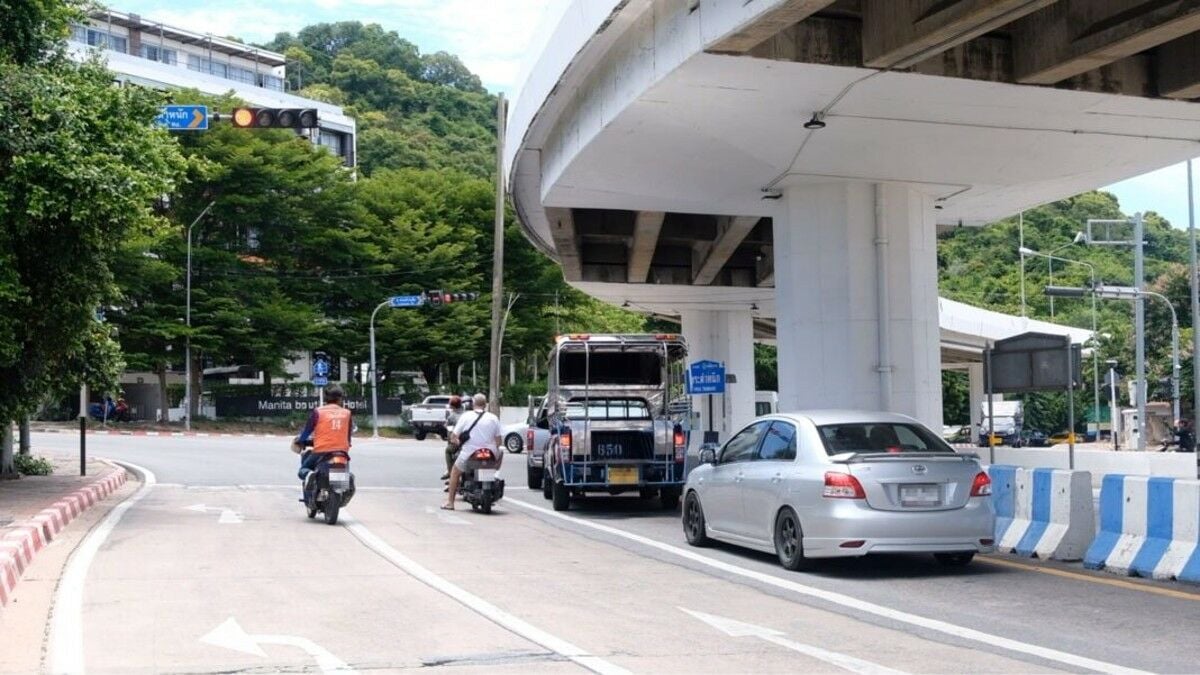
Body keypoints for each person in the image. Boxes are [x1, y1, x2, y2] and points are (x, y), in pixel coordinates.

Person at [443, 393, 502, 510]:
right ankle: (494, 476)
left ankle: (450, 503)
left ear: (473, 404)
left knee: (454, 472)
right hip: (490, 454)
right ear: (485, 405)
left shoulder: (466, 416)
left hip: (470, 453)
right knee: (499, 457)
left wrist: (457, 442)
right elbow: (499, 441)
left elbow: (454, 436)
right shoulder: (493, 418)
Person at [295, 385, 353, 499]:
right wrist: (346, 445)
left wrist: (301, 441)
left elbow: (307, 430)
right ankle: (343, 487)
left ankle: (310, 475)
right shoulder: (347, 413)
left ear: (326, 398)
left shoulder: (318, 412)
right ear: (340, 399)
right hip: (341, 452)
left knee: (302, 470)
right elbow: (348, 434)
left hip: (321, 451)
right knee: (343, 471)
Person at [441, 396, 464, 482]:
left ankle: (450, 473)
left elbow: (446, 426)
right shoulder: (466, 414)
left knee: (448, 450)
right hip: (468, 441)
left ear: (452, 406)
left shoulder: (452, 416)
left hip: (459, 442)